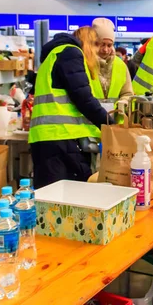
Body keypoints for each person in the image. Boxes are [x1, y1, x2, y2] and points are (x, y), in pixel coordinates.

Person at [28, 27, 113, 189]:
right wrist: (111, 125)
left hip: (48, 139)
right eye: (96, 46)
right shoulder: (71, 53)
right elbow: (84, 99)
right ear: (89, 44)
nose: (97, 53)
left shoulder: (54, 55)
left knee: (52, 198)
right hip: (61, 138)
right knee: (70, 200)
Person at [90, 18, 134, 104]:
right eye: (102, 44)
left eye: (109, 45)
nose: (105, 50)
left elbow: (128, 93)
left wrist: (123, 102)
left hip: (114, 115)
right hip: (90, 116)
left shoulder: (120, 65)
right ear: (93, 43)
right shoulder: (85, 62)